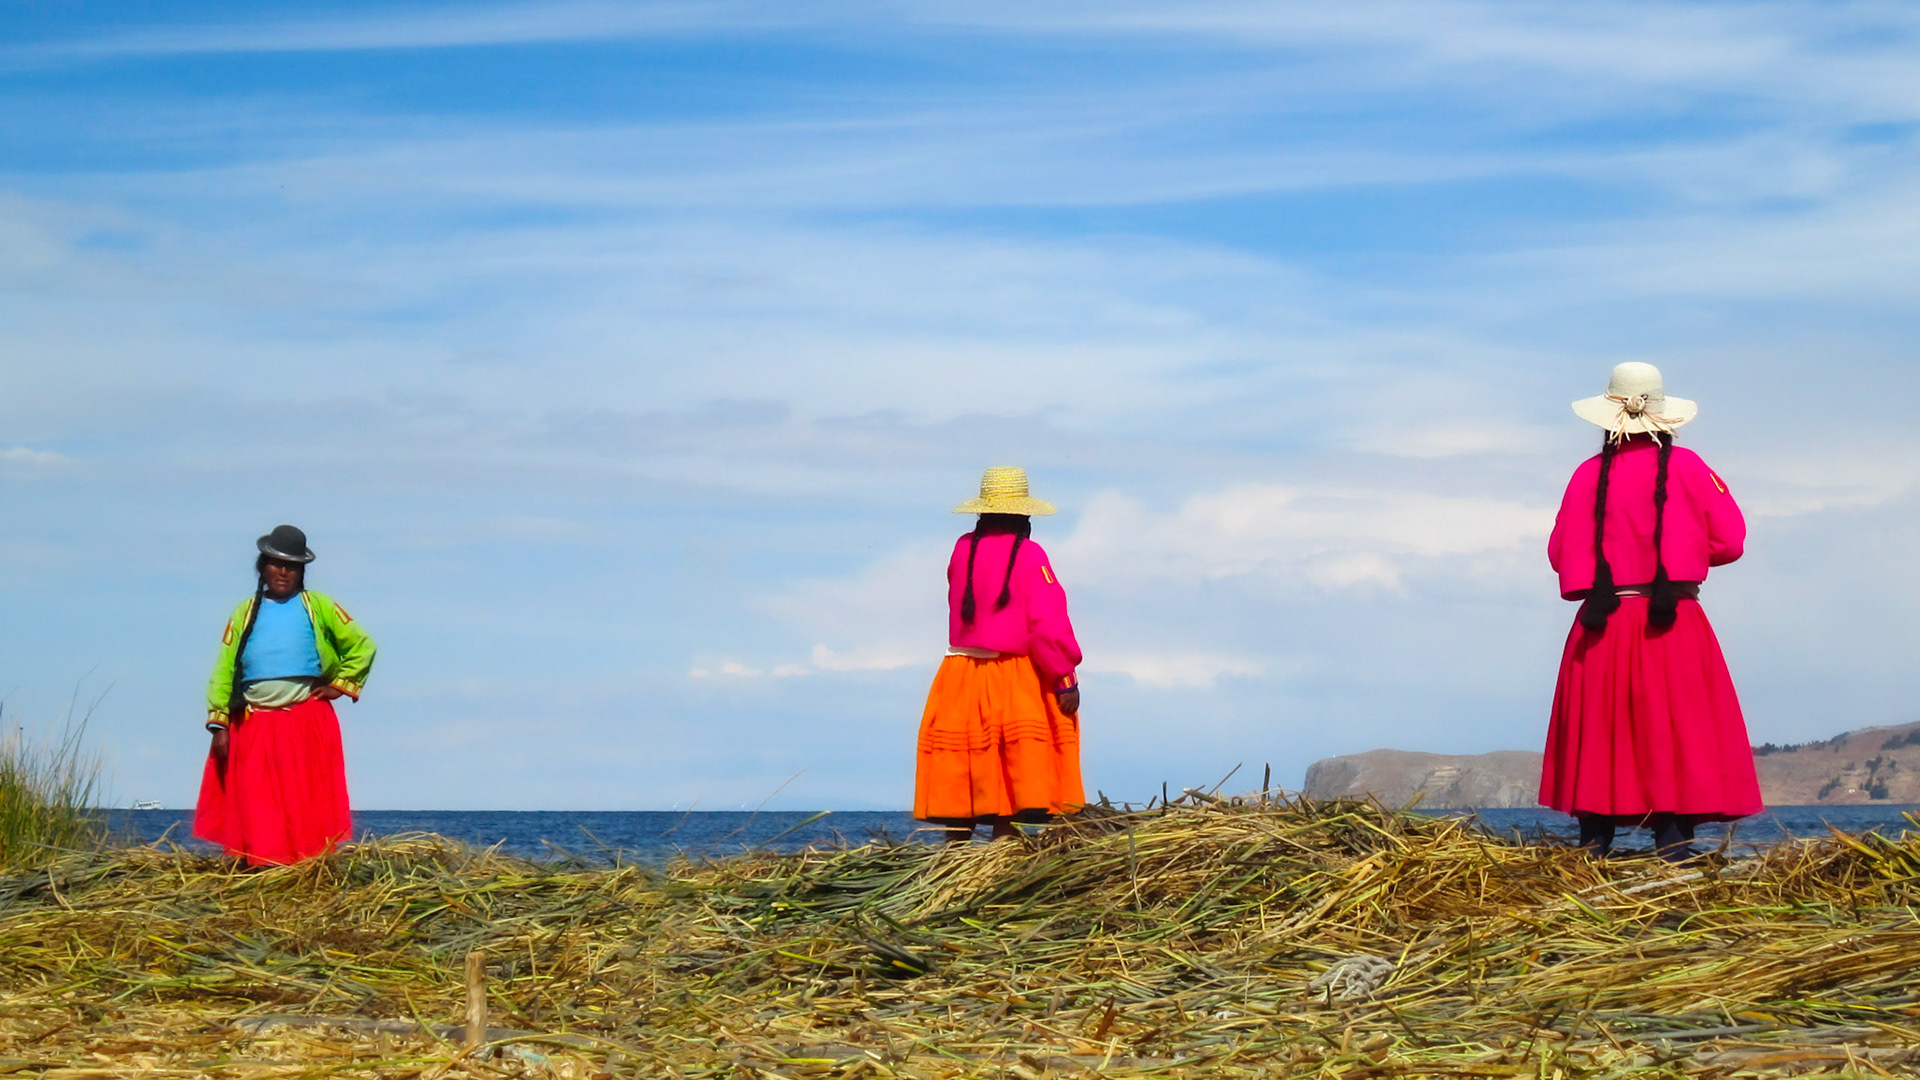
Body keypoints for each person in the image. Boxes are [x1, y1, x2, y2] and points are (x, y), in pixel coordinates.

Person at [1539, 363, 1761, 861]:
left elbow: (1559, 554)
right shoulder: (1690, 467)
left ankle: (1593, 848)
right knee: (1675, 730)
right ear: (1663, 417)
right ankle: (1674, 849)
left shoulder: (1585, 475)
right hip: (1672, 622)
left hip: (1601, 625)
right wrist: (1681, 551)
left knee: (1601, 733)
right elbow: (1730, 541)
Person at [914, 467, 1085, 841]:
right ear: (1024, 515)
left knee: (964, 769)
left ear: (981, 513)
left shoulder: (963, 549)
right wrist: (1064, 677)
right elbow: (1047, 623)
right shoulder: (1029, 554)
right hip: (1012, 674)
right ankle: (999, 861)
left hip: (959, 673)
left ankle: (954, 863)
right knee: (1010, 773)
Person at [193, 525, 376, 865]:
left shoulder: (318, 606)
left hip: (305, 719)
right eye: (276, 563)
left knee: (305, 800)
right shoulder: (245, 612)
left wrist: (340, 685)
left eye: (291, 566)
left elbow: (362, 645)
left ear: (300, 572)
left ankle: (306, 867)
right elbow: (224, 668)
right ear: (263, 567)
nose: (283, 571)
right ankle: (261, 867)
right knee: (257, 803)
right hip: (253, 723)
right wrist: (219, 724)